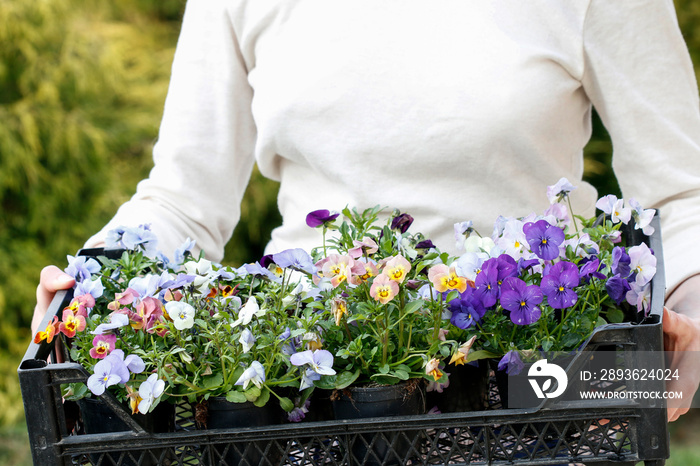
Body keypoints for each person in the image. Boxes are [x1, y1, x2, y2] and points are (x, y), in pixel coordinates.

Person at [33, 0, 700, 422]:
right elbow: (183, 198)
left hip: (528, 388)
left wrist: (690, 317)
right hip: (318, 390)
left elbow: (683, 192)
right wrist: (91, 280)